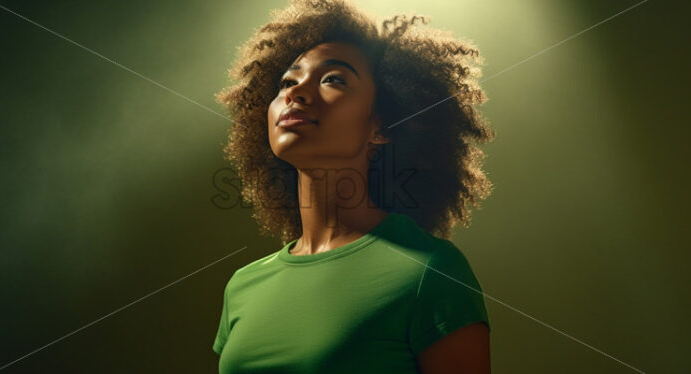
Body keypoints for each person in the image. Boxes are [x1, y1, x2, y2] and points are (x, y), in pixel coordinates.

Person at [212, 0, 496, 372]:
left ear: (381, 127)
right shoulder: (242, 287)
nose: (296, 93)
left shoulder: (429, 272)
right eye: (287, 82)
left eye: (333, 79)